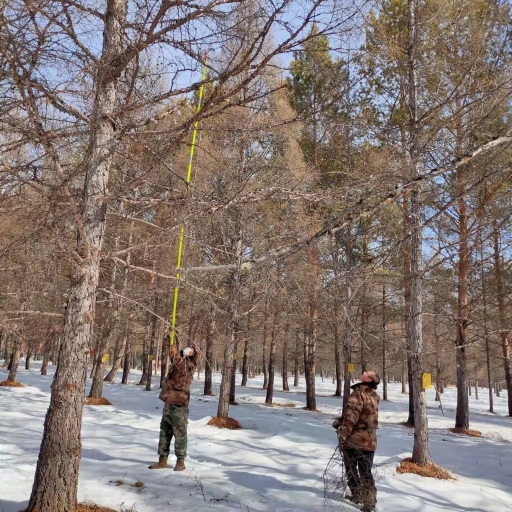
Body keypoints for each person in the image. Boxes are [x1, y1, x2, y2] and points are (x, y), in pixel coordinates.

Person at [333, 371, 380, 512]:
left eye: (366, 373)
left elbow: (351, 417)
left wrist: (343, 433)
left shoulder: (357, 395)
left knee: (352, 470)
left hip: (355, 440)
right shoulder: (373, 396)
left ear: (368, 380)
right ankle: (369, 501)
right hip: (370, 441)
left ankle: (360, 496)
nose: (363, 373)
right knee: (366, 471)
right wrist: (339, 421)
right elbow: (363, 416)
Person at [149, 344, 198, 471]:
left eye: (192, 350)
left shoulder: (189, 366)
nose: (189, 350)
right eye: (188, 349)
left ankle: (180, 462)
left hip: (179, 405)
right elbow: (175, 360)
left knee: (180, 434)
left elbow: (180, 366)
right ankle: (162, 460)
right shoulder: (177, 362)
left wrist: (176, 353)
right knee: (164, 432)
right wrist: (170, 341)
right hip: (169, 402)